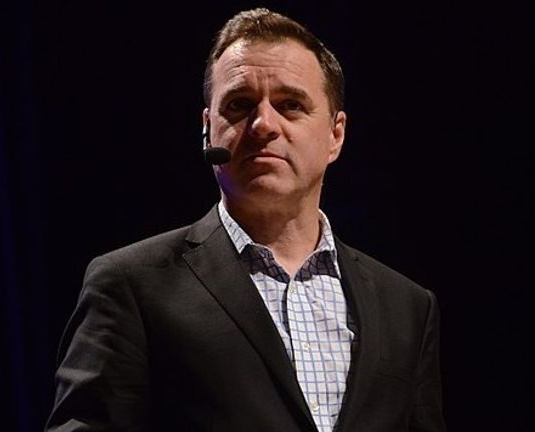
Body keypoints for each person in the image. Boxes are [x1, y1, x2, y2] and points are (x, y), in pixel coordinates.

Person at [46, 8, 446, 432]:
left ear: (336, 134)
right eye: (239, 105)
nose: (263, 125)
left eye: (291, 105)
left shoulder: (407, 307)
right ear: (208, 129)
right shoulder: (131, 286)